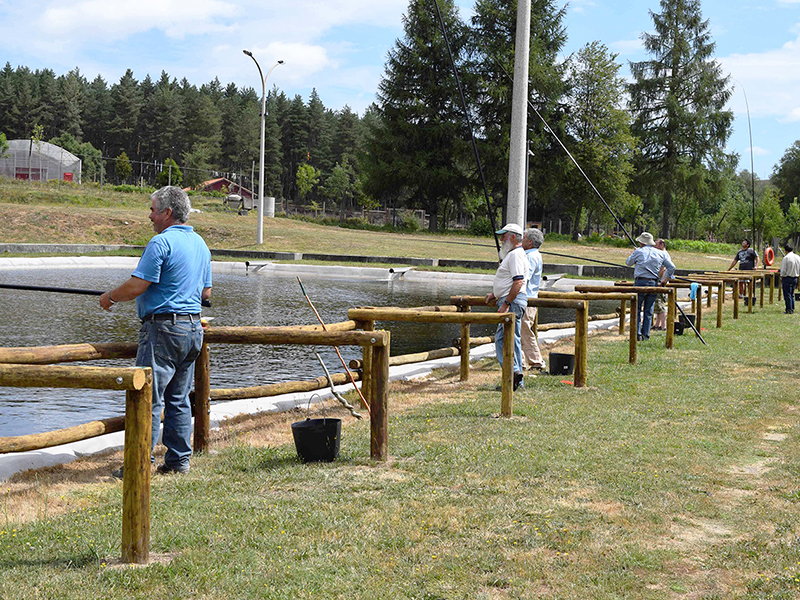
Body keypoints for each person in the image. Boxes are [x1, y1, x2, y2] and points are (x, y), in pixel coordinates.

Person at [100, 186, 212, 477]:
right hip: (192, 329)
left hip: (163, 329)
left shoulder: (160, 243)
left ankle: (140, 464)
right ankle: (178, 462)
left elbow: (137, 286)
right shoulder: (201, 244)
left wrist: (109, 297)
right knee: (178, 398)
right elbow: (206, 292)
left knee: (148, 397)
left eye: (152, 209)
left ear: (167, 212)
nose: (150, 215)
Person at [485, 223, 528, 391]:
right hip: (515, 301)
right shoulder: (515, 255)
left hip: (513, 302)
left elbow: (518, 281)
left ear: (512, 237)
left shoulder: (515, 255)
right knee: (512, 339)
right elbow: (511, 281)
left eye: (504, 235)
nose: (501, 239)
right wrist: (495, 295)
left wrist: (506, 303)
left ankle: (513, 374)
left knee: (503, 339)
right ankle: (516, 380)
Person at [625, 232, 675, 341]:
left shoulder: (638, 251)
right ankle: (646, 335)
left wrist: (635, 253)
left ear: (641, 242)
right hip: (653, 283)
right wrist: (663, 281)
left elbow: (628, 263)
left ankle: (637, 334)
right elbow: (672, 267)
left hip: (639, 283)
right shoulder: (660, 253)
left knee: (637, 309)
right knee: (649, 310)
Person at [520, 228, 546, 371]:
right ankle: (521, 362)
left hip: (527, 300)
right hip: (529, 299)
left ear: (530, 242)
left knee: (524, 330)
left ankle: (536, 362)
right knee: (521, 331)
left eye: (523, 238)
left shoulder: (530, 257)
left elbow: (524, 278)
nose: (521, 240)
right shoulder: (533, 255)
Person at [651, 238, 672, 331]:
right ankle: (657, 324)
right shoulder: (664, 254)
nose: (654, 246)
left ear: (662, 245)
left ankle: (663, 326)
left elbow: (662, 269)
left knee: (660, 305)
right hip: (662, 281)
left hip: (661, 282)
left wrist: (658, 280)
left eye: (656, 244)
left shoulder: (663, 254)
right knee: (658, 304)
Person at [779, 241, 800, 314]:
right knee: (792, 294)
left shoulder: (786, 258)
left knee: (787, 294)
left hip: (787, 277)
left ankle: (789, 309)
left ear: (785, 250)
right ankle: (792, 308)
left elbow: (783, 269)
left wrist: (781, 276)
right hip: (795, 277)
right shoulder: (798, 257)